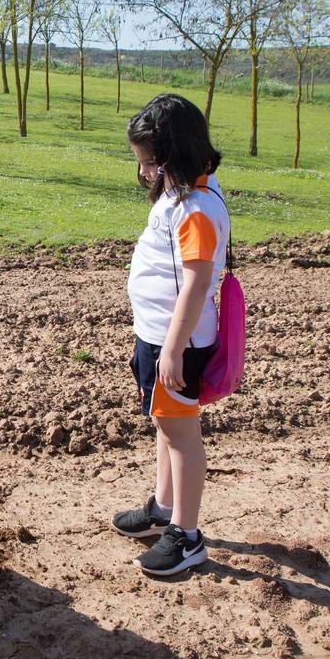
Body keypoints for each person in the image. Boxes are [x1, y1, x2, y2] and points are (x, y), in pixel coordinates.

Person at [110, 93, 230, 577]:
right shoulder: (181, 196)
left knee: (181, 434)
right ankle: (163, 510)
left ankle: (187, 536)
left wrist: (175, 349)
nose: (144, 173)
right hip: (159, 337)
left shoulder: (197, 208)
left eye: (150, 164)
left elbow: (198, 282)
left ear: (176, 156)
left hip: (175, 343)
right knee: (166, 424)